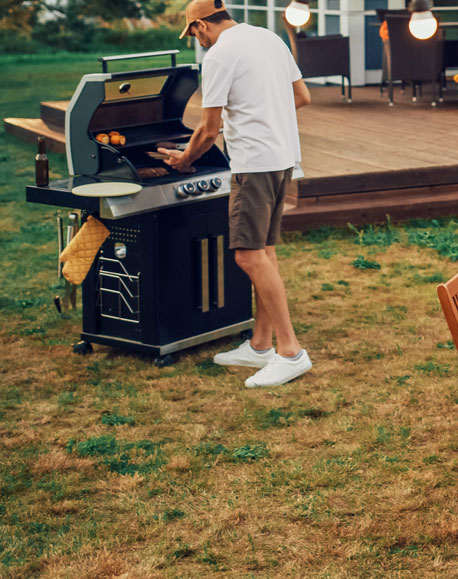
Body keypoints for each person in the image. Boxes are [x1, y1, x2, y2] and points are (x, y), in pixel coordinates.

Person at [161, 0, 314, 388]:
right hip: (282, 159)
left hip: (254, 165)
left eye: (194, 33)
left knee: (248, 256)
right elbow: (301, 97)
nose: (198, 40)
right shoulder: (269, 38)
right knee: (265, 252)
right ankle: (261, 345)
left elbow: (208, 129)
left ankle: (290, 352)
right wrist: (258, 115)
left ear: (200, 26)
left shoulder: (219, 55)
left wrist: (182, 161)